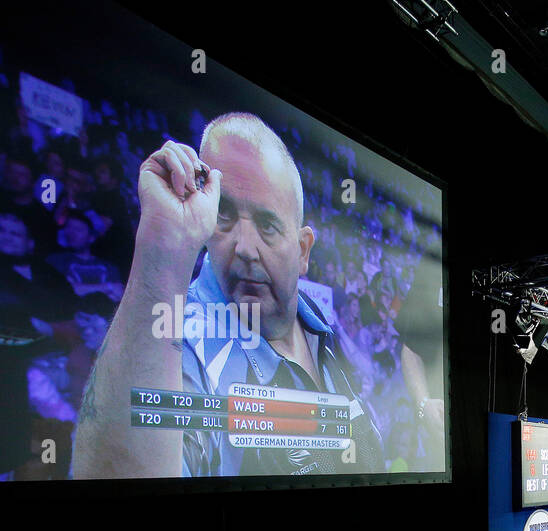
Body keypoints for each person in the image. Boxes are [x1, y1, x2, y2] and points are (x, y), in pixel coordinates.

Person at [70, 113, 427, 478]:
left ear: (303, 251)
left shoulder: (325, 330)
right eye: (222, 215)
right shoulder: (182, 342)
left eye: (267, 224)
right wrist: (162, 251)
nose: (244, 247)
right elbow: (118, 478)